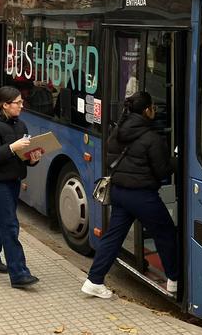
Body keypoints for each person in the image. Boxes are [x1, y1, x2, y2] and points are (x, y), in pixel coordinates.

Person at [81, 91, 178, 299]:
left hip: (119, 193)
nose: (155, 110)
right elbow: (162, 171)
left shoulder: (117, 131)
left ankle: (94, 280)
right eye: (153, 107)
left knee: (113, 237)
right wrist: (176, 160)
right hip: (143, 196)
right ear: (146, 111)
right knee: (166, 233)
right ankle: (173, 280)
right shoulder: (152, 137)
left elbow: (109, 160)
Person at [0, 86, 42, 289]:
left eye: (22, 102)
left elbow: (23, 158)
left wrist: (33, 159)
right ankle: (19, 273)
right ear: (5, 105)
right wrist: (11, 148)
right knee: (10, 224)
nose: (22, 106)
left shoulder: (20, 124)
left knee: (2, 220)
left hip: (14, 179)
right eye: (18, 103)